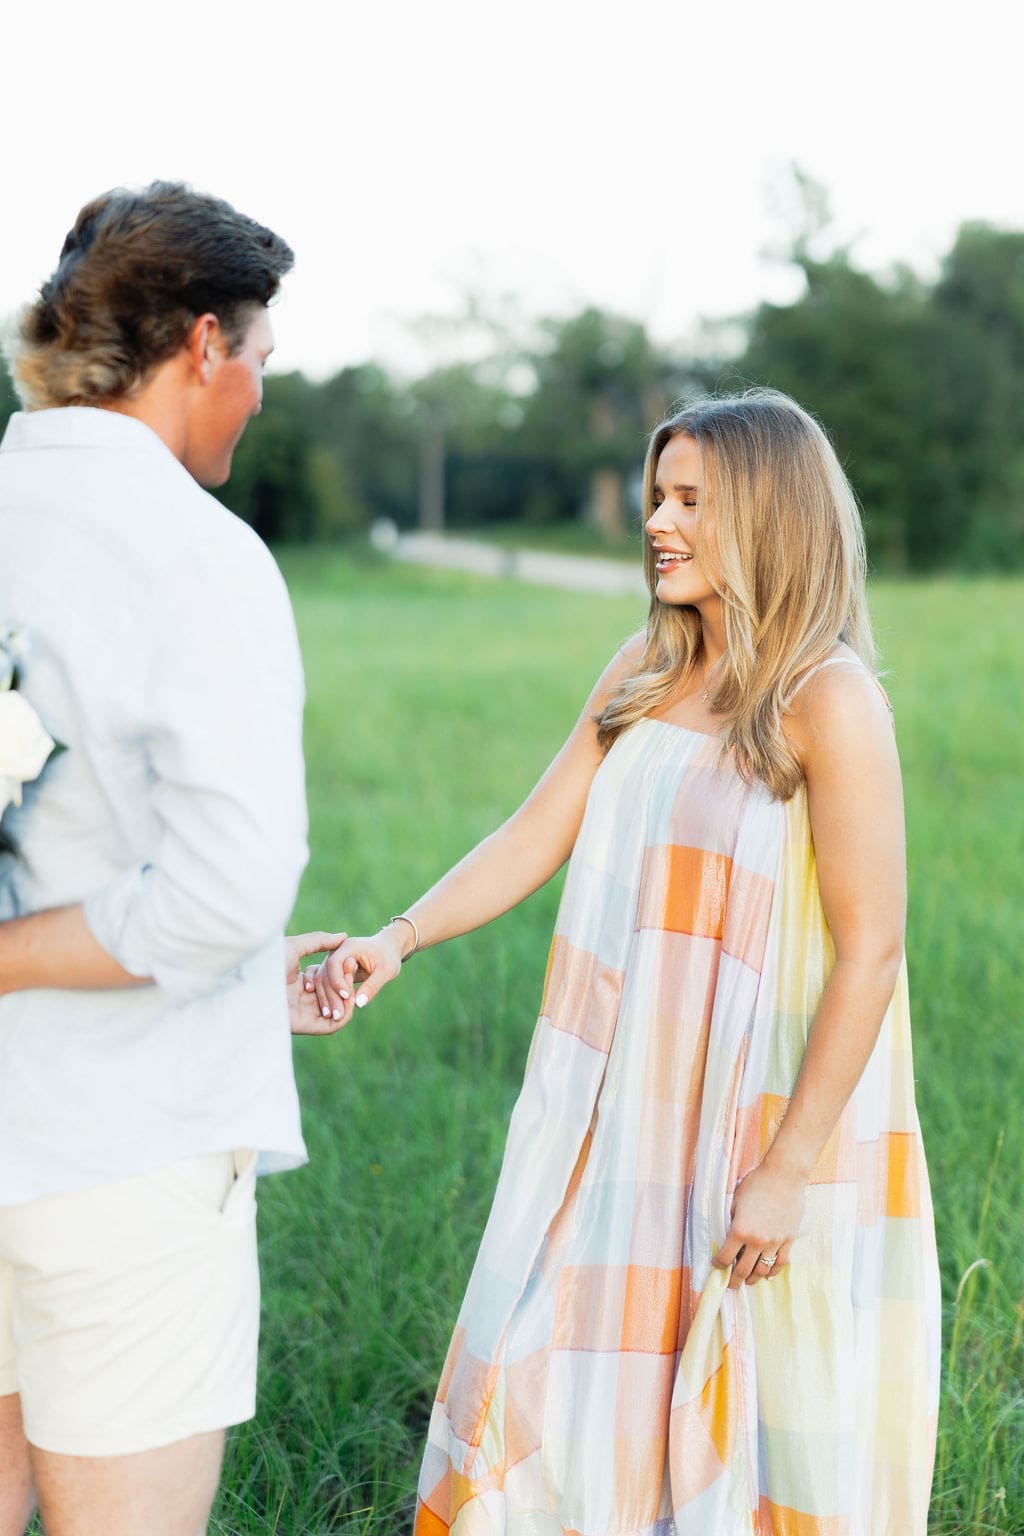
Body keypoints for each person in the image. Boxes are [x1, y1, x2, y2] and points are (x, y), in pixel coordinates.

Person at [309, 390, 941, 1535]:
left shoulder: (828, 700)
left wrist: (789, 1168)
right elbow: (532, 831)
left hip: (752, 1113)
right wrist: (394, 939)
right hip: (613, 1102)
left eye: (692, 499)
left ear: (767, 516)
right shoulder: (642, 668)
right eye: (658, 494)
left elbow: (873, 950)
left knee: (736, 1395)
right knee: (545, 1352)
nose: (658, 519)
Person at [0, 183, 343, 1536]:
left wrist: (248, 969)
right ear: (203, 342)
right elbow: (223, 888)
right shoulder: (195, 555)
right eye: (259, 360)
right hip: (118, 1153)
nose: (257, 395)